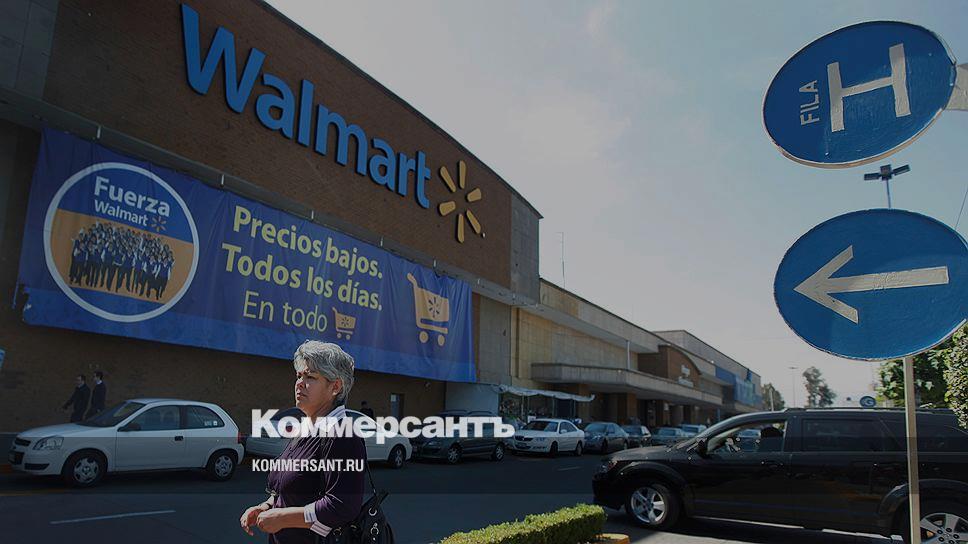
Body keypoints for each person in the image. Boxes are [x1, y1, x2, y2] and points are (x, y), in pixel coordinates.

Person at [240, 341, 366, 543]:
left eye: (310, 377)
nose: (299, 383)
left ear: (335, 386)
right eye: (299, 376)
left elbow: (342, 506)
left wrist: (283, 518)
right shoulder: (306, 430)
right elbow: (291, 490)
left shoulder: (343, 435)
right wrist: (266, 507)